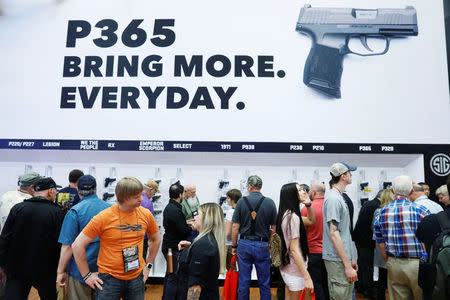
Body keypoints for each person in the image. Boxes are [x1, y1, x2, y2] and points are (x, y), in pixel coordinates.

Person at [72, 177, 161, 300]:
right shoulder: (103, 217)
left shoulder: (145, 214)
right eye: (137, 197)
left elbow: (156, 239)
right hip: (109, 280)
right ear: (124, 197)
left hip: (136, 277)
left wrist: (148, 266)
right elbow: (77, 245)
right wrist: (86, 275)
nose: (141, 199)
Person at [0, 177, 64, 300]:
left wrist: (2, 265)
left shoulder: (18, 208)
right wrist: (60, 269)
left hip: (17, 268)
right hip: (45, 269)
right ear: (51, 191)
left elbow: (4, 239)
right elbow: (60, 245)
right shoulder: (57, 212)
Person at [373, 175, 430, 300]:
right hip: (418, 263)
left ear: (392, 191)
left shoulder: (381, 212)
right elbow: (429, 238)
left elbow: (380, 240)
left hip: (394, 263)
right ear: (411, 191)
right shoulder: (421, 210)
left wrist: (388, 260)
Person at [56, 175, 111, 300]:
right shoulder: (110, 210)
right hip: (106, 270)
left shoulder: (74, 212)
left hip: (79, 272)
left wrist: (60, 272)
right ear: (96, 189)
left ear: (77, 189)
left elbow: (68, 246)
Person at [231, 175, 277, 300]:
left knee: (244, 281)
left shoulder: (241, 201)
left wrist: (234, 245)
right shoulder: (270, 202)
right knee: (264, 282)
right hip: (263, 245)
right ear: (260, 187)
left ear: (249, 186)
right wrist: (271, 246)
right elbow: (273, 228)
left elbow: (235, 226)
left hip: (244, 244)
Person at [323, 162, 358, 300]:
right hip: (336, 259)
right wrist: (347, 265)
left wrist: (351, 258)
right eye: (350, 173)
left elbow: (344, 232)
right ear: (343, 176)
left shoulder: (339, 197)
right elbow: (334, 233)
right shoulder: (333, 198)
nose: (351, 175)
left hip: (342, 258)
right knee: (341, 295)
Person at [177, 203, 226, 300]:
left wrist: (196, 248)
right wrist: (191, 247)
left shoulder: (203, 245)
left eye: (197, 215)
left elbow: (195, 286)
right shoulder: (208, 241)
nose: (194, 218)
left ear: (206, 219)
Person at [277, 183, 315, 300]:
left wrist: (308, 205)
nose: (304, 191)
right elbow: (294, 249)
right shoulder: (292, 217)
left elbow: (311, 220)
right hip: (295, 270)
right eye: (299, 190)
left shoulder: (287, 214)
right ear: (292, 195)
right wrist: (307, 277)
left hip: (288, 267)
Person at [161, 181, 193, 300]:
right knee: (173, 276)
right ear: (180, 195)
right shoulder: (174, 210)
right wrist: (190, 227)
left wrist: (186, 223)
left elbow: (177, 225)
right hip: (171, 249)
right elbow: (183, 230)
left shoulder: (171, 208)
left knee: (170, 274)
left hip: (169, 247)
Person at [301, 181, 330, 300]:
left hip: (313, 252)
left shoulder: (306, 209)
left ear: (313, 192)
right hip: (330, 252)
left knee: (316, 284)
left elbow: (302, 232)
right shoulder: (331, 206)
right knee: (327, 284)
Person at [353, 190, 384, 299]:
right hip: (366, 240)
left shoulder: (369, 203)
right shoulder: (377, 206)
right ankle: (368, 290)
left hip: (359, 238)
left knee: (362, 264)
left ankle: (361, 287)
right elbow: (374, 227)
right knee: (367, 266)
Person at [372, 189, 394, 300]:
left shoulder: (378, 211)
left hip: (381, 247)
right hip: (391, 248)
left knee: (382, 277)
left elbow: (374, 229)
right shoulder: (394, 211)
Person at [225, 188, 242, 269]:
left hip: (230, 244)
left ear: (233, 199)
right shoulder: (242, 210)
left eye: (228, 198)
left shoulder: (230, 212)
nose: (226, 200)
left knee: (231, 269)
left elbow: (228, 233)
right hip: (241, 243)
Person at [141, 180, 158, 260]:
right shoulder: (148, 203)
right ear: (150, 190)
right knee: (142, 261)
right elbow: (149, 223)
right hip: (143, 237)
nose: (153, 196)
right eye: (154, 193)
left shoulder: (135, 198)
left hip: (132, 236)